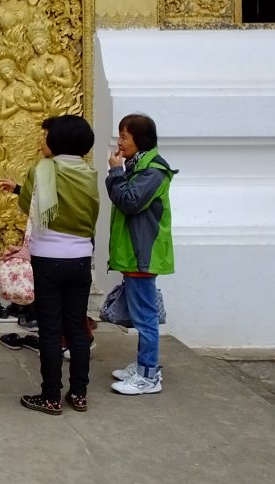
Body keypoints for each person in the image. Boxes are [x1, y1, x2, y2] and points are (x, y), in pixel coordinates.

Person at [0, 115, 99, 415]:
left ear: (57, 141)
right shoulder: (89, 172)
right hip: (81, 259)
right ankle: (79, 394)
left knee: (52, 331)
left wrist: (20, 189)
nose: (42, 140)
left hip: (48, 261)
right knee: (77, 330)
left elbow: (29, 205)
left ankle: (51, 396)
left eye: (46, 135)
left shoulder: (42, 169)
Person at [106, 114, 177, 395]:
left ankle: (149, 376)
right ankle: (144, 365)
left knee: (145, 316)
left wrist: (115, 172)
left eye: (124, 137)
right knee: (140, 313)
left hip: (143, 254)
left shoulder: (153, 171)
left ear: (140, 139)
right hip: (135, 253)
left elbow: (129, 202)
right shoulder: (139, 167)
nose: (120, 143)